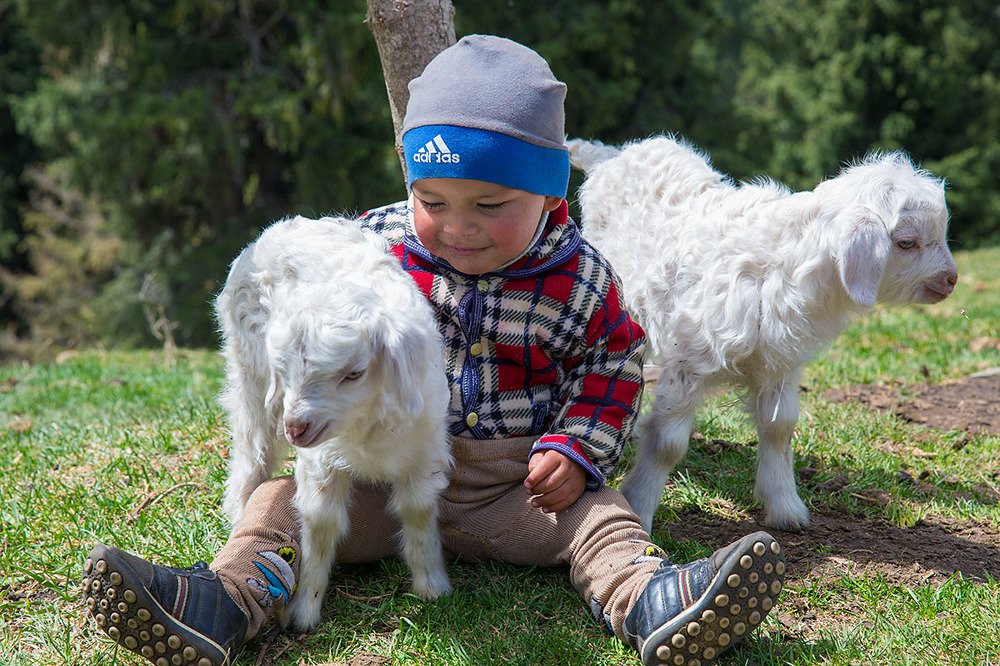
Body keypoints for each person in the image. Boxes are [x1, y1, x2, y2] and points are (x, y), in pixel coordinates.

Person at [82, 35, 784, 666]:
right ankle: (221, 602)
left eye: (489, 204)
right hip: (377, 480)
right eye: (433, 199)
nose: (457, 228)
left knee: (601, 519)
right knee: (280, 505)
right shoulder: (374, 247)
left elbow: (613, 362)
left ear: (549, 191)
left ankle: (653, 599)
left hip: (513, 490)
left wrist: (576, 448)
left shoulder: (580, 276)